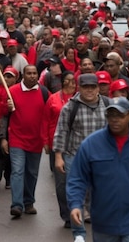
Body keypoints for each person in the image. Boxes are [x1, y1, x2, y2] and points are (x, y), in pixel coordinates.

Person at [67, 97, 129, 242]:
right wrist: (75, 205)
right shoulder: (91, 144)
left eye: (120, 115)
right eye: (111, 115)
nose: (115, 120)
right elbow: (77, 178)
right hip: (104, 222)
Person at [53, 73, 109, 239]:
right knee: (76, 194)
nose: (89, 91)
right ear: (79, 88)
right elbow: (61, 132)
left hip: (100, 159)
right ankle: (79, 233)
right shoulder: (70, 107)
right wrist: (58, 156)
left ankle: (100, 230)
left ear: (98, 88)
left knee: (98, 195)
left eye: (93, 87)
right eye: (86, 87)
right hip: (75, 157)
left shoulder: (107, 105)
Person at [3, 65, 49, 218]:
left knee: (32, 173)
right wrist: (7, 107)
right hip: (17, 139)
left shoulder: (43, 92)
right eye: (29, 73)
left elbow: (50, 114)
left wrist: (47, 139)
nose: (32, 76)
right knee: (18, 171)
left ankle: (28, 202)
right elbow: (3, 115)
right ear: (23, 75)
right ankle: (17, 205)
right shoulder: (12, 91)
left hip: (36, 140)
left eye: (34, 73)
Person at [44, 71, 76, 229]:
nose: (71, 83)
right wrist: (45, 142)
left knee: (76, 181)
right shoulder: (53, 99)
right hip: (56, 145)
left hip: (75, 146)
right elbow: (46, 120)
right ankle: (66, 214)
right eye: (68, 80)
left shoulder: (79, 100)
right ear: (62, 82)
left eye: (73, 81)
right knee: (61, 183)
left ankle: (78, 210)